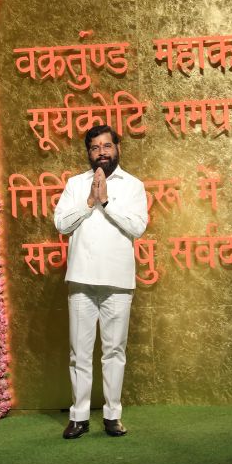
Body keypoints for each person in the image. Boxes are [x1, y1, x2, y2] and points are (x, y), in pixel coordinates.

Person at [53, 125, 149, 439]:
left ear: (117, 148)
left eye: (107, 146)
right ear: (88, 152)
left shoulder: (133, 185)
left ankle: (112, 416)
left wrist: (107, 202)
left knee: (114, 352)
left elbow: (138, 227)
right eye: (95, 148)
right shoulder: (75, 184)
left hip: (118, 281)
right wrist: (89, 202)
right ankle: (79, 417)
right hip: (81, 280)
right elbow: (61, 224)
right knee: (79, 353)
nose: (102, 152)